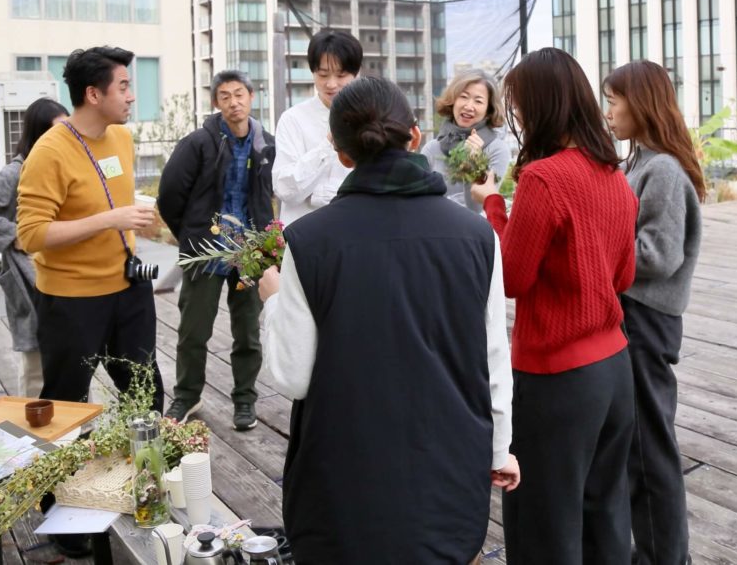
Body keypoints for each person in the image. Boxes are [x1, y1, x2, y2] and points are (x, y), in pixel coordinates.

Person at [259, 76, 518, 564]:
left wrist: (273, 300)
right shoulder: (478, 237)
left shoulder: (309, 241)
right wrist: (499, 451)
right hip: (447, 479)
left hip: (341, 488)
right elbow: (492, 361)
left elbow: (292, 376)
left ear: (340, 152)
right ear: (414, 137)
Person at [470, 47, 639, 565]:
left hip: (557, 377)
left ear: (543, 105)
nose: (518, 117)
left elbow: (513, 277)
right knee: (606, 514)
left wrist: (492, 205)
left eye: (521, 106)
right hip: (615, 369)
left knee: (544, 521)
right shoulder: (614, 175)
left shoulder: (544, 178)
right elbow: (624, 276)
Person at [17, 46, 164, 411]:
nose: (132, 96)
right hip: (72, 300)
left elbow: (108, 197)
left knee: (146, 393)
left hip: (130, 288)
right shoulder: (49, 152)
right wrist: (110, 220)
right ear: (94, 95)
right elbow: (31, 235)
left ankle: (150, 451)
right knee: (67, 404)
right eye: (123, 86)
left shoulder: (122, 138)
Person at [603, 61, 704, 565]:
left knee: (649, 450)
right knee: (639, 446)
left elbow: (658, 256)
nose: (608, 113)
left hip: (645, 319)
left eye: (614, 102)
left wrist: (594, 245)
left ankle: (665, 557)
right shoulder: (640, 162)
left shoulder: (660, 168)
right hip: (637, 317)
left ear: (640, 104)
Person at [157, 71, 275, 431]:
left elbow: (273, 196)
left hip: (250, 251)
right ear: (216, 102)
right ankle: (187, 395)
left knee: (248, 331)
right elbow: (169, 195)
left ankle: (245, 399)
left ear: (251, 97)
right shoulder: (198, 143)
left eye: (239, 94)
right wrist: (190, 235)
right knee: (194, 330)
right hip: (207, 250)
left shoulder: (266, 144)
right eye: (225, 96)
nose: (234, 102)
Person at [0, 97, 69, 398]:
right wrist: (17, 235)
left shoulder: (62, 165)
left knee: (73, 359)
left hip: (64, 276)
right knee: (36, 367)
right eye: (56, 130)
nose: (64, 137)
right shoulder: (17, 171)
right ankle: (35, 425)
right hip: (30, 277)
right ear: (38, 133)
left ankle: (80, 422)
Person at [272, 29, 361, 225]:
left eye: (341, 75)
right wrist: (328, 144)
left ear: (355, 73)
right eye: (323, 75)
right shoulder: (293, 119)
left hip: (354, 230)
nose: (331, 84)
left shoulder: (369, 118)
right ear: (313, 72)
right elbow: (285, 189)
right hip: (303, 234)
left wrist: (317, 195)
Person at [421, 69, 512, 212]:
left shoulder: (497, 149)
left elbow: (477, 208)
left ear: (489, 110)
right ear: (453, 101)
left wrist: (473, 164)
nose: (469, 106)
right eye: (463, 97)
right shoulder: (432, 148)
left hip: (475, 225)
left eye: (478, 101)